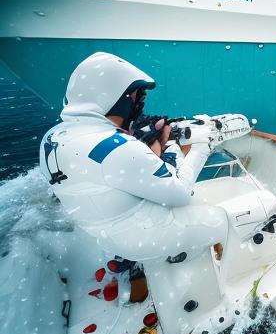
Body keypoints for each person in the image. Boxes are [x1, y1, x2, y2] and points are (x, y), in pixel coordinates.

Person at [39, 52, 248, 272]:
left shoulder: (53, 136)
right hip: (144, 237)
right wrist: (198, 146)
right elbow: (180, 195)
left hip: (105, 236)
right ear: (117, 97)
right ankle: (232, 272)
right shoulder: (118, 148)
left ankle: (142, 262)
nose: (138, 104)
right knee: (230, 217)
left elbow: (104, 168)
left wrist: (141, 144)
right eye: (137, 96)